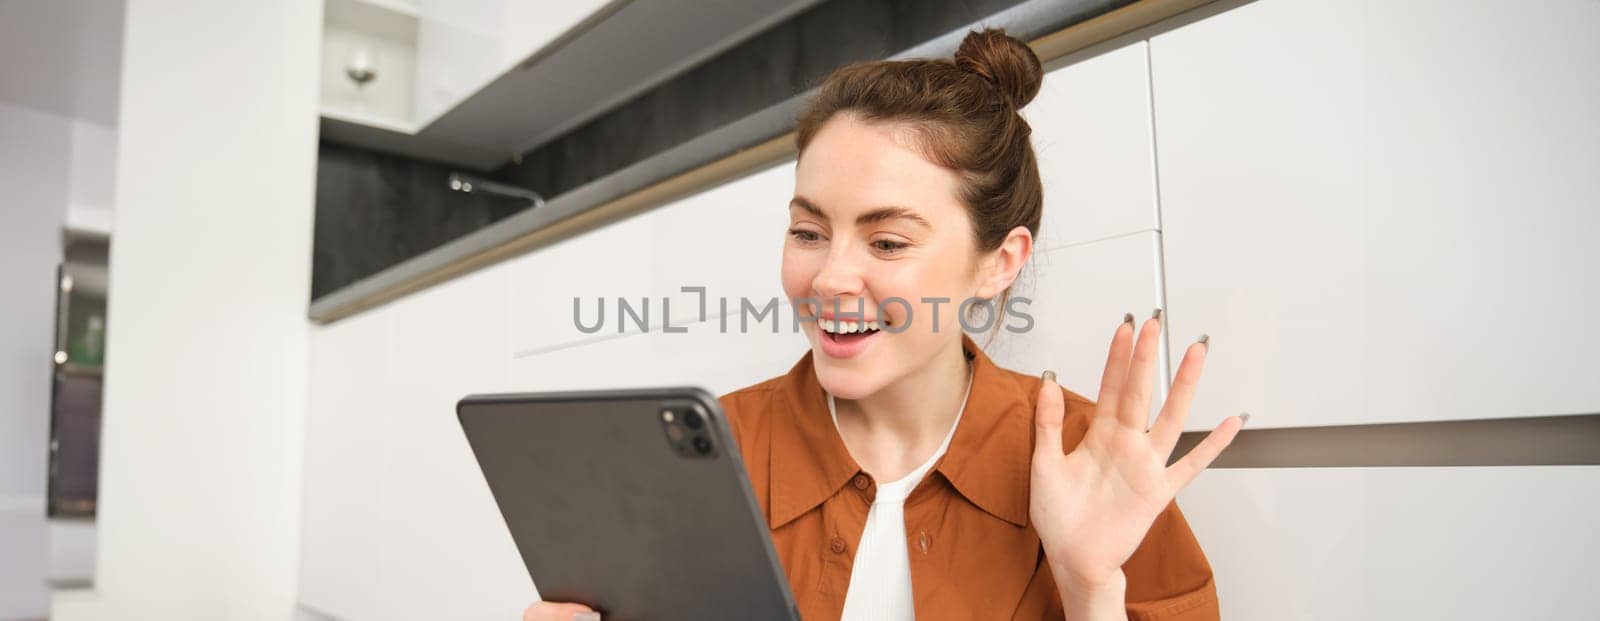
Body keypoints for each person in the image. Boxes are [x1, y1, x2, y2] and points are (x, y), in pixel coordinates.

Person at [525, 28, 1244, 621]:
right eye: (808, 231)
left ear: (999, 262)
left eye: (888, 241)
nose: (830, 277)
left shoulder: (1096, 466)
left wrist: (1089, 589)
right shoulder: (705, 457)